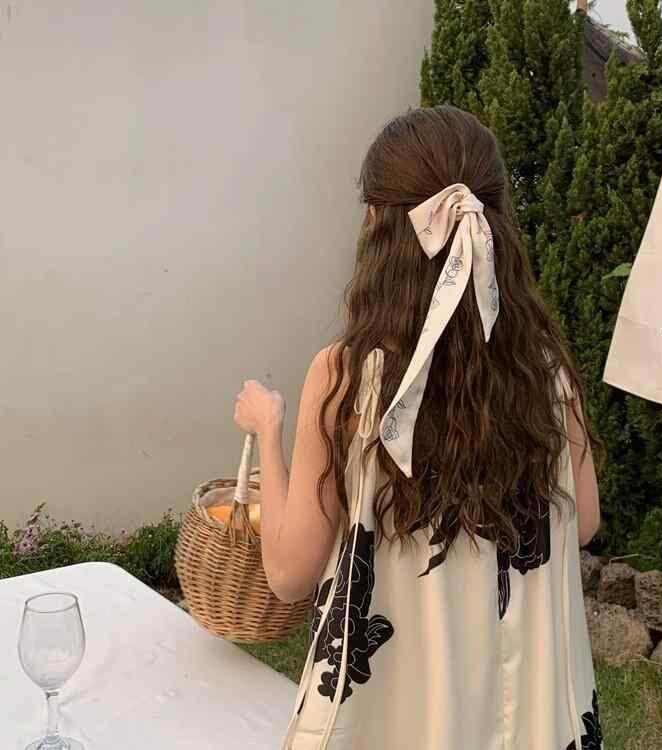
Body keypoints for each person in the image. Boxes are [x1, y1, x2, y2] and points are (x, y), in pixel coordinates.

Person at [233, 105, 604, 750]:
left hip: (398, 711)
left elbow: (290, 574)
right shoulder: (544, 370)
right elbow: (584, 521)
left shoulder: (348, 378)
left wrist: (268, 428)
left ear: (377, 225)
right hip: (520, 708)